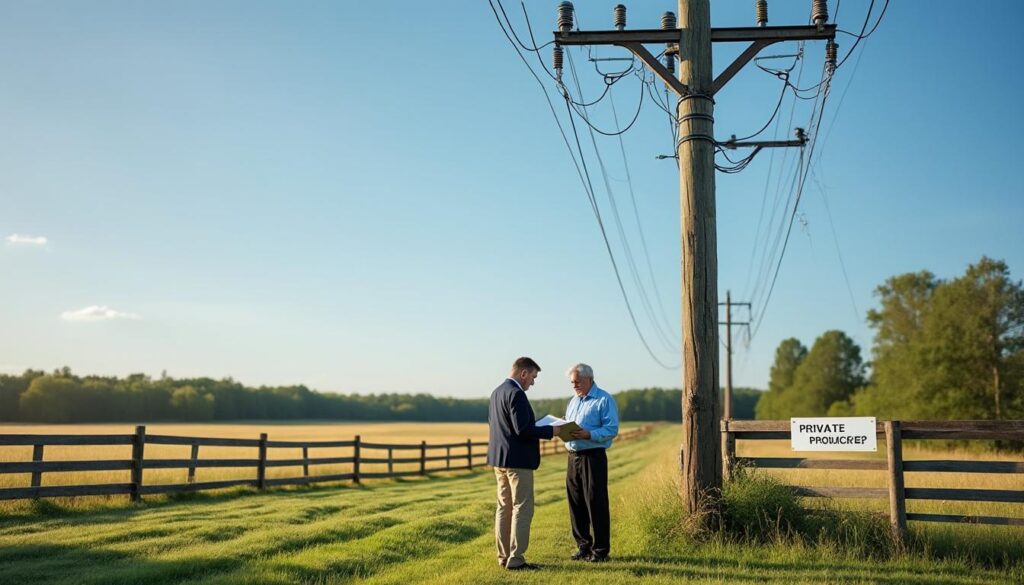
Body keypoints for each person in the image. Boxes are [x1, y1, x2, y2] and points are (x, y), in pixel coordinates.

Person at [487, 357, 559, 571]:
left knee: (504, 507)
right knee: (522, 507)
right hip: (518, 462)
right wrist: (550, 431)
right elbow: (522, 430)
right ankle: (516, 560)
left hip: (499, 460)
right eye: (533, 377)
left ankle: (503, 556)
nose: (533, 383)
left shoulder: (496, 392)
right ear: (524, 373)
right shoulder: (517, 394)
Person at [563, 363, 619, 563]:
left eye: (577, 381)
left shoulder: (604, 399)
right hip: (572, 457)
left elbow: (612, 429)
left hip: (593, 457)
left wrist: (589, 434)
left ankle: (600, 551)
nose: (574, 385)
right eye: (572, 382)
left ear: (589, 379)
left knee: (596, 503)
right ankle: (583, 546)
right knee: (576, 503)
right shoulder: (573, 401)